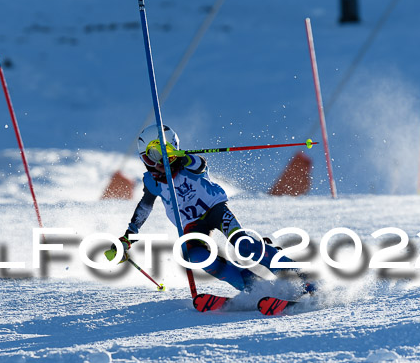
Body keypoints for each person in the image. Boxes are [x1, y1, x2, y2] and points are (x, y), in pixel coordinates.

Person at [107, 124, 313, 294]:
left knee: (243, 246)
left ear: (173, 149)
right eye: (150, 157)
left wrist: (179, 158)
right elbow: (144, 207)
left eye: (162, 154)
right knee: (197, 257)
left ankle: (300, 275)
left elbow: (200, 165)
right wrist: (128, 236)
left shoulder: (189, 162)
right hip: (191, 225)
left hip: (215, 210)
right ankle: (255, 287)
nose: (156, 163)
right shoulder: (152, 181)